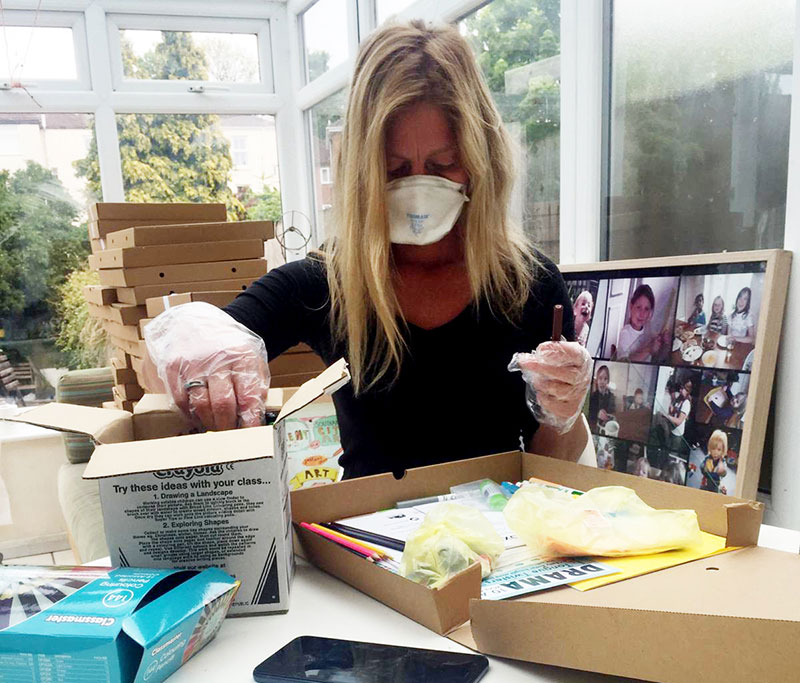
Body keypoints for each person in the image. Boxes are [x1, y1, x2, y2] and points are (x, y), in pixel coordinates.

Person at [143, 21, 593, 480]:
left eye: (443, 165)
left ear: (481, 160)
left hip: (500, 539)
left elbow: (552, 468)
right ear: (362, 170)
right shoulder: (329, 282)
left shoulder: (529, 284)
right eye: (394, 169)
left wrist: (563, 412)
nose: (418, 189)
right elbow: (158, 371)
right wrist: (189, 343)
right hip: (364, 539)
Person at [614, 284, 668, 362]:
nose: (642, 314)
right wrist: (648, 349)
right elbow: (623, 363)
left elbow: (655, 354)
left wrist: (664, 343)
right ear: (631, 307)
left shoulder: (648, 328)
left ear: (650, 312)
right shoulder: (625, 333)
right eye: (638, 307)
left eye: (646, 309)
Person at [587, 365, 616, 432]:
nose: (602, 381)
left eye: (605, 379)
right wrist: (597, 414)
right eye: (600, 378)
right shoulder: (593, 396)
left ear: (608, 381)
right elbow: (590, 413)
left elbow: (613, 410)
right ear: (597, 380)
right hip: (596, 426)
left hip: (608, 426)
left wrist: (608, 414)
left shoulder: (611, 396)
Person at [700, 429, 728, 494]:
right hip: (705, 484)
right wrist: (705, 467)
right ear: (710, 448)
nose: (715, 452)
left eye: (719, 450)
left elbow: (724, 473)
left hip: (715, 486)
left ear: (723, 450)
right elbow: (701, 467)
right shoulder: (708, 458)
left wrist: (722, 471)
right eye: (713, 449)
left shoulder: (722, 461)